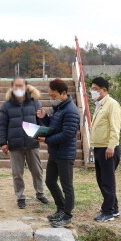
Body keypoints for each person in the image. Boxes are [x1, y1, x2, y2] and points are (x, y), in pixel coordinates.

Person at [0, 77, 49, 209]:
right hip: (15, 144)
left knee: (37, 171)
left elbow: (41, 121)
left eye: (21, 86)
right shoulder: (6, 105)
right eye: (16, 86)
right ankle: (20, 197)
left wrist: (42, 136)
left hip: (32, 143)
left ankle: (40, 193)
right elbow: (2, 125)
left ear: (26, 87)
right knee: (17, 173)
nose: (19, 88)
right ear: (12, 87)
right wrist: (3, 143)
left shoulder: (35, 103)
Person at [36, 79, 79, 228]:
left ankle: (67, 216)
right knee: (50, 181)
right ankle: (60, 209)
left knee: (67, 186)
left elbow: (67, 134)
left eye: (54, 96)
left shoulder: (71, 110)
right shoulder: (59, 108)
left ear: (64, 94)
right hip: (55, 152)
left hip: (65, 154)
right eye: (50, 96)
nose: (51, 99)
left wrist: (46, 139)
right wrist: (45, 118)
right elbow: (54, 127)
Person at [89, 76, 121, 222]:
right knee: (101, 180)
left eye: (96, 89)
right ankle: (113, 208)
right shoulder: (99, 105)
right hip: (98, 147)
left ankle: (107, 211)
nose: (93, 92)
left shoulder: (112, 104)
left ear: (104, 90)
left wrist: (111, 146)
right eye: (92, 89)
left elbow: (115, 128)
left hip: (107, 149)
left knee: (107, 181)